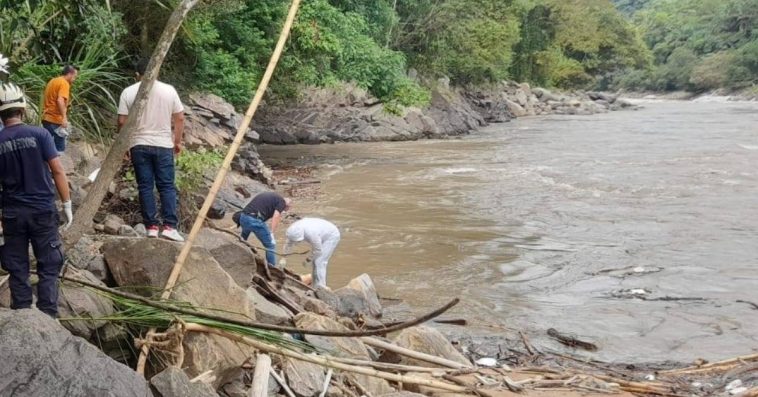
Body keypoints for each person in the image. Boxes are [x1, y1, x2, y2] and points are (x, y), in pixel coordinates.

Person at [0, 82, 73, 318]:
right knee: (49, 264)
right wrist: (67, 204)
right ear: (22, 110)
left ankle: (22, 313)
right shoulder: (40, 134)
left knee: (17, 265)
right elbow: (58, 170)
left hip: (12, 213)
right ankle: (48, 315)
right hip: (42, 211)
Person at [117, 59, 185, 242]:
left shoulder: (128, 92)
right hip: (163, 144)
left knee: (145, 186)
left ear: (137, 75)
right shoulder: (169, 90)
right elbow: (179, 118)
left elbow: (122, 122)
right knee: (166, 186)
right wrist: (177, 141)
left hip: (138, 144)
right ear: (157, 72)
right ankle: (170, 226)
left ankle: (151, 227)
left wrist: (124, 146)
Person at [279, 218, 340, 289]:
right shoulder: (292, 231)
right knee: (315, 262)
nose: (297, 243)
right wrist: (283, 258)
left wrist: (308, 260)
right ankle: (315, 285)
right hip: (321, 232)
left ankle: (322, 287)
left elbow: (318, 250)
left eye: (298, 241)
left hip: (331, 235)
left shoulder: (312, 234)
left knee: (319, 261)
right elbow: (288, 244)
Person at [237, 192, 291, 266]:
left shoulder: (273, 197)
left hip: (243, 217)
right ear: (286, 205)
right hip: (254, 220)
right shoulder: (281, 202)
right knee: (270, 246)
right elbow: (276, 216)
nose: (283, 211)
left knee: (242, 241)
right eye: (284, 210)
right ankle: (272, 269)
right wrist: (272, 233)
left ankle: (236, 257)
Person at [42, 65, 78, 152]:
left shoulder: (53, 81)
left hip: (46, 118)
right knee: (60, 148)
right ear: (70, 74)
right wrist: (64, 118)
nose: (75, 79)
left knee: (46, 147)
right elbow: (60, 100)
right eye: (75, 76)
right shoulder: (64, 83)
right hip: (55, 120)